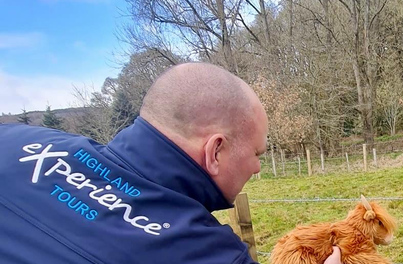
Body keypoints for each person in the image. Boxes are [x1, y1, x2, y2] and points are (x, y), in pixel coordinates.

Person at [0, 62, 343, 264]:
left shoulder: (14, 140)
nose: (256, 168)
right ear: (216, 151)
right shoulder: (208, 254)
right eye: (257, 154)